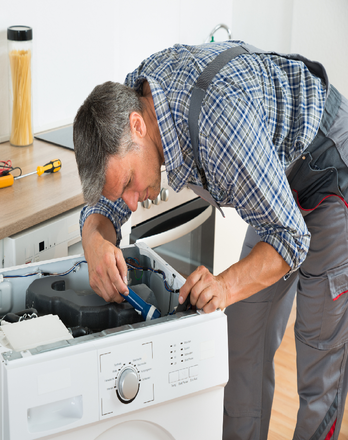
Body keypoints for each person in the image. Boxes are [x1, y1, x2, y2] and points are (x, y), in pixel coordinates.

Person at [73, 40, 348, 440]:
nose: (133, 202)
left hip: (327, 168)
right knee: (241, 342)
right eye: (123, 193)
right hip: (272, 180)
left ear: (138, 126)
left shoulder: (221, 124)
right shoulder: (135, 100)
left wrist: (224, 284)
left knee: (318, 357)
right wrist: (93, 237)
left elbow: (289, 236)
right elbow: (108, 204)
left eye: (130, 183)